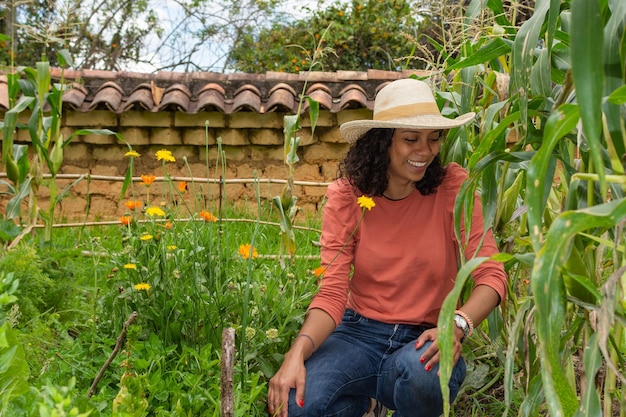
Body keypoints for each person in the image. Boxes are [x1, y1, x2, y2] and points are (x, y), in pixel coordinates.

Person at [267, 78, 507, 417]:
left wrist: (456, 325)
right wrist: (296, 355)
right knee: (298, 404)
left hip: (422, 338)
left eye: (433, 138)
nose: (425, 151)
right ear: (382, 143)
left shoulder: (453, 187)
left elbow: (492, 275)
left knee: (423, 375)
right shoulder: (347, 195)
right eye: (411, 139)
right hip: (356, 335)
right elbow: (333, 292)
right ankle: (363, 404)